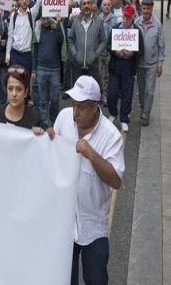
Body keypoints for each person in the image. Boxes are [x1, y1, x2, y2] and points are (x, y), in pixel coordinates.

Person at [53, 75, 124, 285]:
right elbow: (52, 153)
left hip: (94, 227)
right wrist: (46, 136)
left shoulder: (112, 136)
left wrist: (91, 154)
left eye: (81, 107)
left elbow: (116, 181)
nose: (75, 112)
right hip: (65, 221)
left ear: (95, 107)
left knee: (96, 279)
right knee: (65, 278)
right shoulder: (64, 117)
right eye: (74, 104)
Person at [107, 4, 144, 133]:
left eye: (128, 17)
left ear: (133, 17)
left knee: (127, 94)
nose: (126, 19)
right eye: (124, 16)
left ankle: (124, 119)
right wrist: (115, 51)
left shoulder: (137, 31)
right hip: (116, 65)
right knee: (111, 93)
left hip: (128, 67)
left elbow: (141, 50)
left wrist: (133, 53)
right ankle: (113, 113)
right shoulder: (116, 28)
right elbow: (108, 45)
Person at [32, 12, 67, 128]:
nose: (45, 21)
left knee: (54, 99)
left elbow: (60, 40)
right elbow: (35, 50)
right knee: (42, 100)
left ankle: (54, 121)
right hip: (41, 67)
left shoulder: (56, 26)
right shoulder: (37, 29)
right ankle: (45, 124)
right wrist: (34, 69)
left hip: (55, 69)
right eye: (43, 19)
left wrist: (58, 24)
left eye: (47, 18)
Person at [0, 65, 47, 133]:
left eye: (19, 89)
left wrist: (40, 132)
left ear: (26, 92)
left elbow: (47, 135)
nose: (14, 94)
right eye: (10, 89)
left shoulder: (35, 118)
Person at [136, 0, 165, 126]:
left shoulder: (158, 25)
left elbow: (161, 45)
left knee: (150, 91)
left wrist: (160, 63)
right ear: (141, 8)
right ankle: (143, 107)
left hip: (152, 64)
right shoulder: (136, 22)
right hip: (139, 63)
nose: (146, 11)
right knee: (141, 89)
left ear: (152, 9)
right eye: (144, 8)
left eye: (148, 8)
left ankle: (146, 114)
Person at [68, 0, 106, 87]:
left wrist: (96, 54)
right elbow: (70, 39)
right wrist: (75, 54)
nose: (86, 6)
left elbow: (103, 41)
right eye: (84, 4)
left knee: (91, 93)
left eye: (88, 3)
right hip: (78, 67)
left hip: (93, 66)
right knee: (78, 93)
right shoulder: (76, 21)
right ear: (81, 6)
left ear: (92, 4)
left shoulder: (98, 21)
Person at [5, 0, 42, 72]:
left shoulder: (32, 14)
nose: (24, 1)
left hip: (27, 56)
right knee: (15, 79)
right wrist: (7, 55)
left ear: (29, 0)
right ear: (18, 0)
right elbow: (10, 36)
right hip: (15, 55)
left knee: (26, 81)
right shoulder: (14, 15)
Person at [98, 0, 117, 105]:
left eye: (108, 5)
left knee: (108, 76)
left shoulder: (114, 19)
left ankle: (107, 96)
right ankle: (101, 95)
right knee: (100, 75)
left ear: (110, 6)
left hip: (109, 52)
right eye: (104, 5)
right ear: (101, 6)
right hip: (100, 52)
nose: (106, 6)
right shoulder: (98, 18)